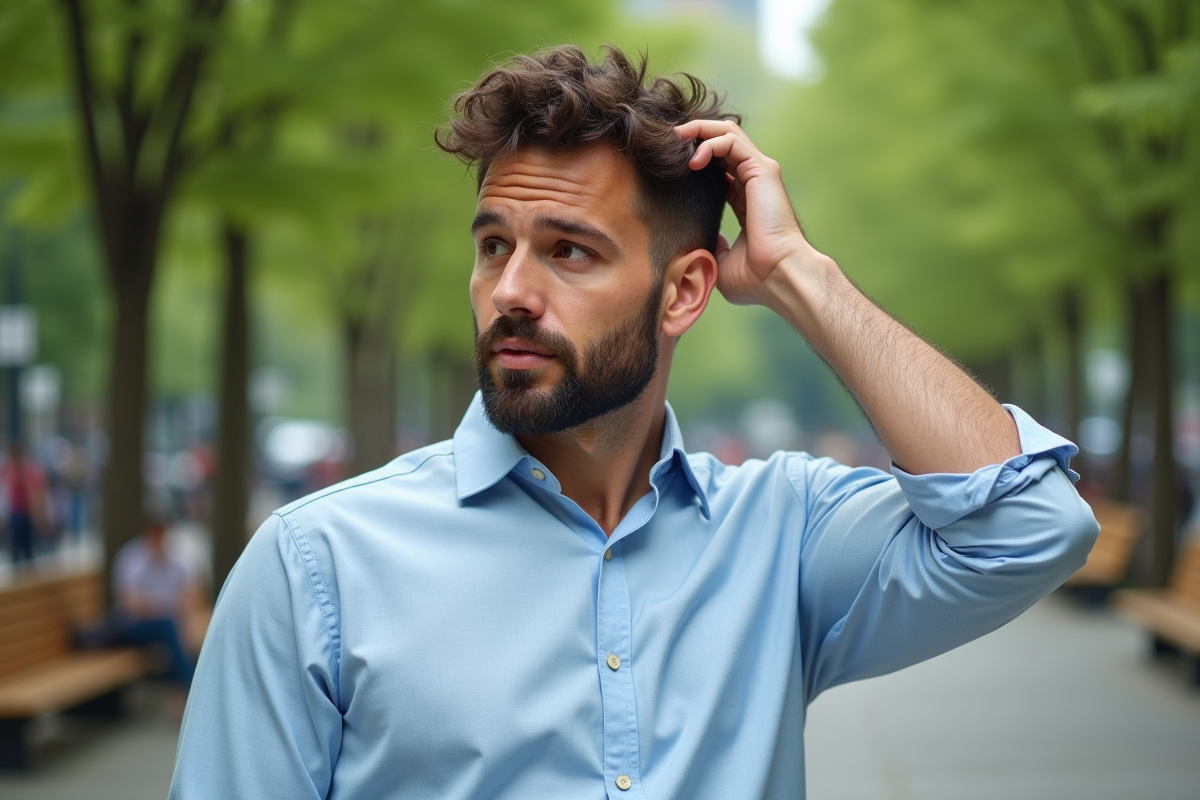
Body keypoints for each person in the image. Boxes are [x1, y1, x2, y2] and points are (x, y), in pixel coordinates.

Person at [170, 46, 1098, 799]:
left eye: (569, 251)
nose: (510, 293)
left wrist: (799, 277)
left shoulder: (782, 538)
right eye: (494, 246)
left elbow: (1031, 526)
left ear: (685, 290)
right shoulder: (317, 565)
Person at [112, 517, 198, 688]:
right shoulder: (132, 558)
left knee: (181, 632)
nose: (159, 539)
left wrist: (163, 606)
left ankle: (187, 692)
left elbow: (192, 595)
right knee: (170, 626)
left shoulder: (175, 557)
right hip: (134, 627)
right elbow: (134, 606)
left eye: (162, 534)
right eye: (155, 534)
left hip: (168, 625)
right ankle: (189, 690)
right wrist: (169, 606)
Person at [2, 441, 48, 565]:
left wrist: (40, 515)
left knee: (28, 547)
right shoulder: (9, 469)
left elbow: (38, 493)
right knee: (15, 546)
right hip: (15, 512)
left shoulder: (30, 470)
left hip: (27, 512)